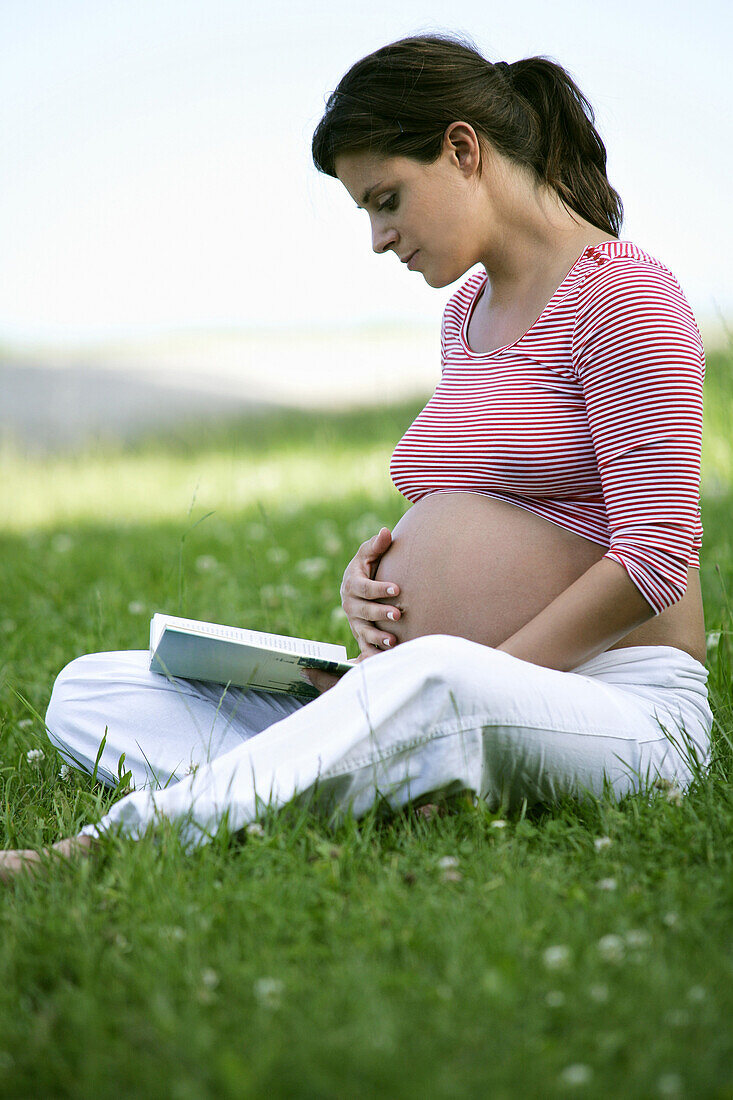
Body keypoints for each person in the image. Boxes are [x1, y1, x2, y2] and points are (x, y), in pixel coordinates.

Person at [0, 33, 713, 881]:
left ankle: (106, 849)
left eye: (387, 199)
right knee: (97, 688)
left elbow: (656, 558)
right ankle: (368, 774)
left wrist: (457, 674)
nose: (379, 239)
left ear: (460, 150)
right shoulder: (468, 313)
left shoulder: (626, 297)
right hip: (433, 692)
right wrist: (369, 590)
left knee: (438, 685)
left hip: (614, 703)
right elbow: (472, 507)